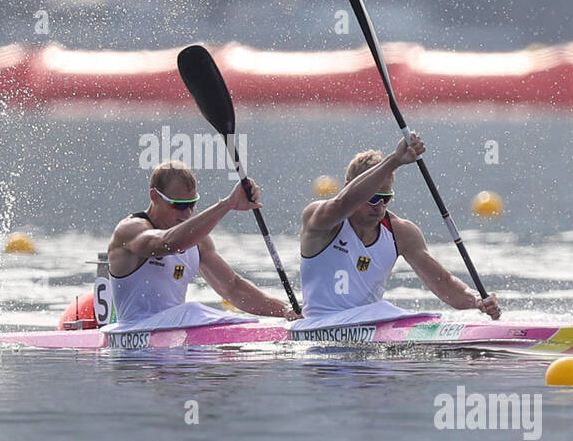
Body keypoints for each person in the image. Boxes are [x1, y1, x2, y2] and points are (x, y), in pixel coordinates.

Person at [292, 134, 500, 330]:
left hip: (370, 323)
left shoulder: (401, 232)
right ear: (349, 187)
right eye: (372, 197)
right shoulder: (320, 220)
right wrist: (395, 160)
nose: (379, 206)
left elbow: (443, 283)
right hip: (319, 325)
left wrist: (477, 299)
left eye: (386, 198)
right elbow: (343, 203)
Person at [107, 161, 300, 330]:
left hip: (174, 342)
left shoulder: (198, 240)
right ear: (154, 196)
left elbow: (232, 288)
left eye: (192, 204)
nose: (187, 212)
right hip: (133, 333)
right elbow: (167, 243)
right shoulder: (130, 230)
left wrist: (286, 310)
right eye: (179, 205)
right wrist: (227, 204)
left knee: (201, 313)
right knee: (193, 309)